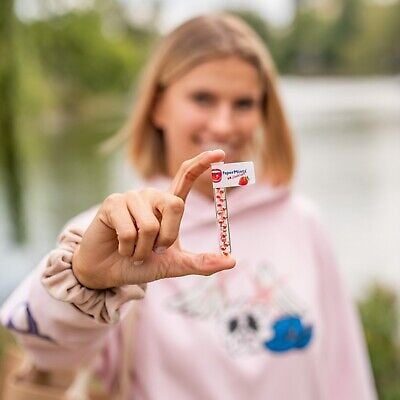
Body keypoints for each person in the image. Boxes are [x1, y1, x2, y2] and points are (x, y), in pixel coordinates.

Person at [1, 13, 377, 399]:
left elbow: (345, 372)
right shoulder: (114, 233)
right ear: (158, 106)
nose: (224, 124)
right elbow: (48, 352)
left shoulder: (302, 222)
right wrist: (87, 279)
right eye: (203, 98)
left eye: (244, 103)